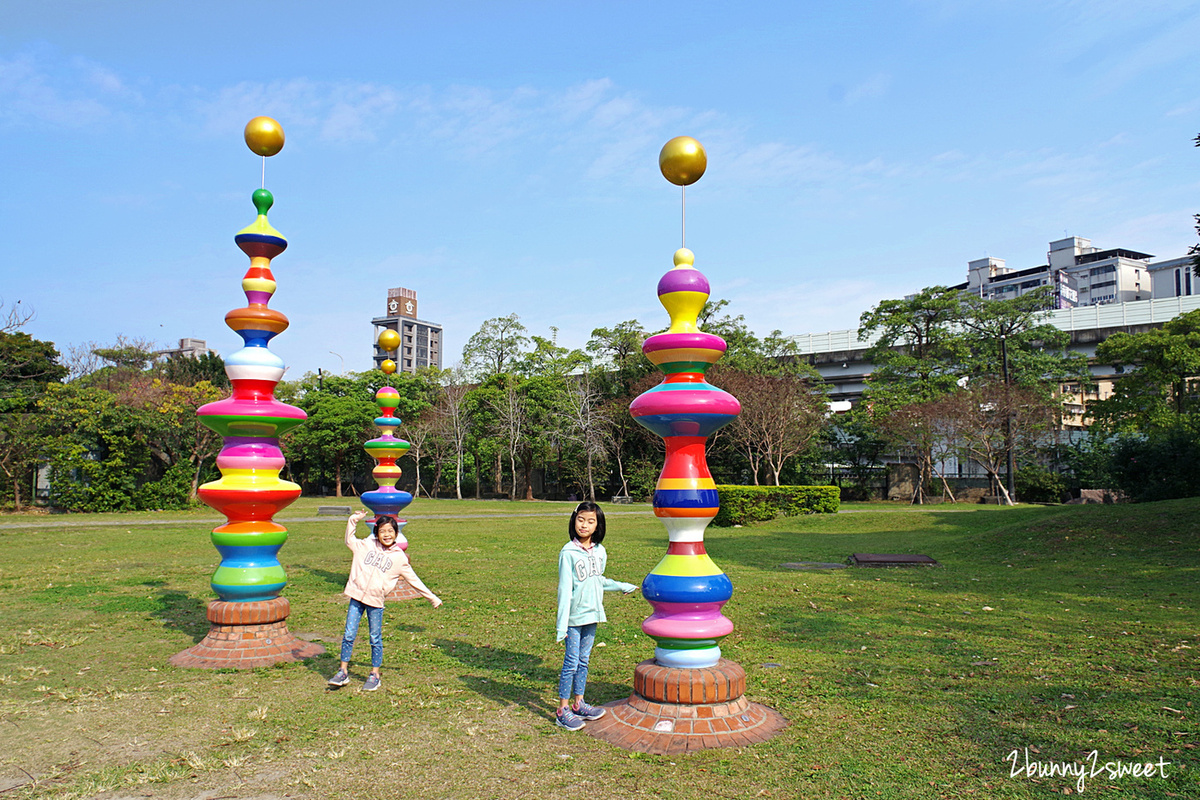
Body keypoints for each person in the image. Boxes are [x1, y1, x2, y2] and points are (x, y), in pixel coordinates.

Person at [328, 509, 442, 691]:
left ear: (396, 534)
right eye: (382, 531)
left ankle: (375, 674)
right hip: (356, 597)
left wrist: (432, 597)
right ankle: (342, 672)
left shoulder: (399, 558)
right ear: (377, 533)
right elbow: (349, 540)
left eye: (390, 531)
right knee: (349, 634)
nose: (386, 535)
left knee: (375, 638)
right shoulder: (366, 545)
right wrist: (353, 520)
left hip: (376, 602)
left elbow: (414, 580)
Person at [555, 501, 637, 730]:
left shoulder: (600, 551)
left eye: (590, 521)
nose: (584, 525)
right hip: (573, 619)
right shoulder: (568, 552)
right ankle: (563, 709)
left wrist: (622, 585)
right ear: (574, 521)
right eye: (581, 519)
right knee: (570, 663)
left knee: (584, 660)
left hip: (592, 615)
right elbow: (564, 590)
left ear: (598, 525)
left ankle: (579, 703)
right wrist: (562, 626)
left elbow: (598, 580)